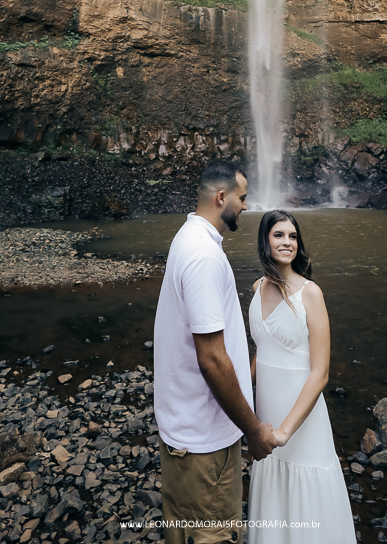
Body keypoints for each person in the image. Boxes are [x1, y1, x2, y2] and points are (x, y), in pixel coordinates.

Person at [154, 161, 277, 544]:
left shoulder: (187, 238)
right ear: (220, 197)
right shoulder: (204, 257)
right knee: (212, 533)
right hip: (204, 442)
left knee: (181, 529)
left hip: (183, 431)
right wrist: (253, 430)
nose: (245, 206)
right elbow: (211, 358)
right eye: (241, 198)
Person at [246, 210, 356, 544]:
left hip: (300, 421)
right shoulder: (257, 286)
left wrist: (284, 432)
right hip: (267, 414)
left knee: (308, 495)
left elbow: (320, 374)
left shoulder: (310, 293)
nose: (287, 242)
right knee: (274, 489)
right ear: (265, 239)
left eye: (293, 236)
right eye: (279, 235)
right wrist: (235, 396)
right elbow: (261, 352)